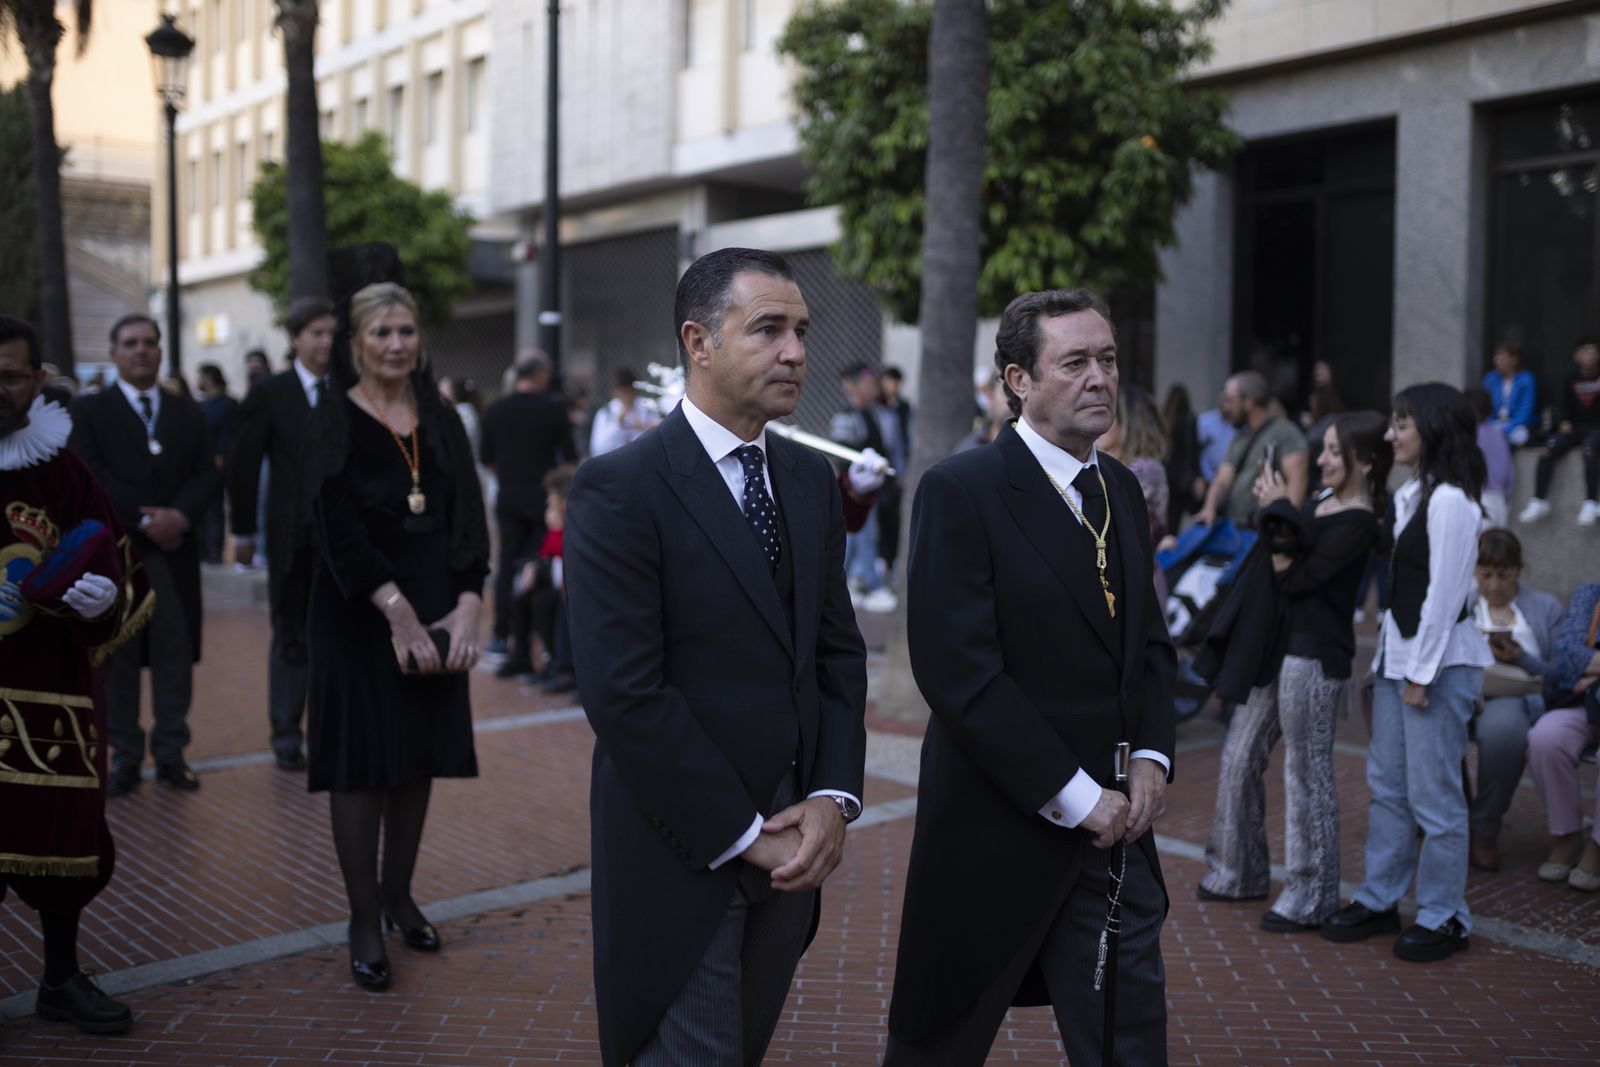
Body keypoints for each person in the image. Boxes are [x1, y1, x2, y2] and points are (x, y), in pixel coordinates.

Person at [564, 247, 868, 1067]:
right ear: (698, 341)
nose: (797, 351)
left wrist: (834, 797)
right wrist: (743, 834)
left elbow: (837, 656)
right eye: (768, 329)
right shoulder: (619, 488)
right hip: (679, 850)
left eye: (801, 331)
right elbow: (625, 693)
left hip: (793, 852)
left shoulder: (806, 480)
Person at [886, 288, 1176, 1065]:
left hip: (1115, 846)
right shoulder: (963, 489)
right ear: (1017, 379)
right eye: (1074, 362)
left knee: (1130, 1045)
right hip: (997, 832)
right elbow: (961, 675)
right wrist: (1082, 799)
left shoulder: (1119, 486)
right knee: (937, 1043)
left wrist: (1152, 754)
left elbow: (1147, 643)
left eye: (1107, 360)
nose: (1099, 378)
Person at [302, 280, 489, 992]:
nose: (395, 344)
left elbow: (468, 515)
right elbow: (334, 528)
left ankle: (399, 892)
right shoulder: (332, 420)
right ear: (356, 343)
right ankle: (360, 918)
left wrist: (468, 604)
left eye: (406, 331)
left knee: (415, 754)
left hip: (439, 605)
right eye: (381, 333)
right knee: (360, 764)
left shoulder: (441, 419)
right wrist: (396, 610)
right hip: (357, 613)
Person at [0, 315, 151, 1034]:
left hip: (49, 693)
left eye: (8, 375)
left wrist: (102, 596)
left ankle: (60, 978)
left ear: (38, 380)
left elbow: (112, 565)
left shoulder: (62, 468)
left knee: (63, 837)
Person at [1199, 411, 1390, 932]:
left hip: (1315, 657)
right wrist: (1281, 515)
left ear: (1366, 462)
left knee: (1306, 775)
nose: (1323, 459)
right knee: (1239, 755)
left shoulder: (1360, 517)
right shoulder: (1326, 503)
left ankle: (1312, 896)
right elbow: (1284, 556)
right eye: (1323, 448)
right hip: (1274, 650)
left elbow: (1301, 579)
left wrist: (1278, 509)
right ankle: (1236, 870)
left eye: (1334, 451)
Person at [1321, 383, 1491, 963]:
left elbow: (1444, 599)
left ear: (1433, 428)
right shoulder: (1415, 494)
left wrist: (1419, 674)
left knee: (1436, 798)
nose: (1392, 435)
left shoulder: (1452, 503)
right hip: (1402, 663)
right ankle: (1380, 898)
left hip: (1439, 669)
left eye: (1402, 424)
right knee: (1388, 789)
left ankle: (1445, 916)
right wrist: (1392, 665)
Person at [68, 314, 220, 796]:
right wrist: (143, 520)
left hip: (175, 558)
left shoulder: (186, 411)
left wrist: (179, 515)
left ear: (160, 351)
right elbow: (90, 474)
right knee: (120, 661)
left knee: (175, 657)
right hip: (118, 556)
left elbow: (206, 474)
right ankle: (126, 757)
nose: (141, 351)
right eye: (130, 343)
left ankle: (172, 753)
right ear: (113, 354)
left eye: (150, 343)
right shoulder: (90, 411)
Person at [227, 297, 337, 771]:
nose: (326, 343)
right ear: (295, 339)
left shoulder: (351, 390)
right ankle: (287, 732)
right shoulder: (270, 392)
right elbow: (244, 464)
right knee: (290, 630)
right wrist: (244, 530)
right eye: (316, 333)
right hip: (289, 534)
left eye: (333, 333)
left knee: (337, 633)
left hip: (343, 537)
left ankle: (332, 729)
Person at [1467, 528, 1563, 872]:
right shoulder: (1462, 605)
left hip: (1513, 696)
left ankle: (1484, 828)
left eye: (1503, 575)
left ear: (1518, 570)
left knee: (1505, 732)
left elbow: (1559, 673)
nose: (1494, 585)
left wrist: (1520, 657)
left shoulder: (1544, 608)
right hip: (1461, 691)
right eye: (1485, 575)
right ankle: (1438, 818)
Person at [479, 349, 576, 656]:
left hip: (508, 496)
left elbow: (486, 459)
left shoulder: (495, 410)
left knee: (507, 564)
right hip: (542, 499)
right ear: (538, 375)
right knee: (543, 563)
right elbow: (570, 458)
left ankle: (502, 634)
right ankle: (543, 638)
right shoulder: (552, 410)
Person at [1526, 582, 1600, 891]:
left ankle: (1597, 847)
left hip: (1591, 689)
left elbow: (1578, 660)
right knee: (1546, 737)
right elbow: (1566, 654)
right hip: (1586, 704)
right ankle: (1567, 835)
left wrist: (1591, 668)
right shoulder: (1590, 595)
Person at [1195, 371, 1309, 529]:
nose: (1226, 406)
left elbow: (1297, 485)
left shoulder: (1286, 433)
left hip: (1265, 532)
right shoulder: (1240, 437)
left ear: (1248, 402)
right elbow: (1222, 480)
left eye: (1230, 399)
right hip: (1238, 530)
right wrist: (1209, 508)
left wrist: (1283, 531)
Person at [501, 464, 577, 689]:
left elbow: (563, 557)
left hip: (569, 590)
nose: (547, 502)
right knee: (525, 598)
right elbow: (546, 556)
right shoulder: (556, 522)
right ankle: (525, 657)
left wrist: (555, 529)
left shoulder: (574, 523)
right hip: (558, 584)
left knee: (547, 602)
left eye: (551, 497)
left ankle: (565, 667)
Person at [829, 363, 896, 613]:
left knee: (859, 536)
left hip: (874, 486)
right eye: (868, 383)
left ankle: (851, 580)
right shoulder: (847, 416)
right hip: (856, 488)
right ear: (853, 386)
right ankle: (872, 584)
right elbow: (843, 454)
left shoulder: (874, 413)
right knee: (863, 534)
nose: (873, 387)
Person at [1098, 383, 1171, 605]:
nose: (1097, 424)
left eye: (1104, 414)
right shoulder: (1112, 465)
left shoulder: (1144, 469)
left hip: (1134, 588)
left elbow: (1111, 527)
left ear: (1127, 423)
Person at [1518, 338, 1600, 526]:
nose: (1590, 356)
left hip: (1597, 429)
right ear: (1577, 355)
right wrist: (1563, 421)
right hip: (1575, 427)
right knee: (1548, 449)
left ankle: (1591, 502)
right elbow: (1563, 406)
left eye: (1594, 351)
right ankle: (1539, 500)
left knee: (1590, 450)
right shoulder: (1570, 378)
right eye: (1586, 351)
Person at [194, 363, 238, 564]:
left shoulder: (227, 404)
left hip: (219, 464)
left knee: (215, 508)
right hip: (202, 464)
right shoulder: (203, 404)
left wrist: (221, 454)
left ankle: (214, 548)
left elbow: (229, 433)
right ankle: (203, 547)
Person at [877, 365, 912, 582]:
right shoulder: (876, 406)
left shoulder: (904, 408)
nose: (893, 386)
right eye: (890, 381)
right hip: (881, 467)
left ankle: (891, 559)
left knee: (894, 516)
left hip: (897, 469)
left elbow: (905, 441)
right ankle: (882, 559)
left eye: (896, 382)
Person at [1466, 386, 1515, 528]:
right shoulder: (1497, 432)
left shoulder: (1469, 435)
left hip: (1479, 500)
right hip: (1500, 501)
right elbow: (1510, 473)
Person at [588, 366, 662, 456]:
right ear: (615, 391)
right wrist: (618, 424)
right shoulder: (606, 413)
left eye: (629, 390)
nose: (626, 395)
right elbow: (597, 449)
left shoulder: (647, 407)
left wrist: (644, 426)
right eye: (622, 391)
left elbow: (660, 431)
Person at [1161, 384, 1201, 534]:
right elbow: (1192, 451)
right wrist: (1196, 474)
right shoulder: (1189, 420)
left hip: (1168, 474)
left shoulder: (1164, 419)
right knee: (1193, 517)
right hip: (1183, 476)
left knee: (1171, 520)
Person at [1483, 341, 1537, 447]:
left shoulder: (1526, 380)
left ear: (1513, 360)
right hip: (1494, 423)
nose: (1496, 360)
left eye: (1502, 357)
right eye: (1496, 356)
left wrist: (1506, 429)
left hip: (1517, 425)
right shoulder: (1490, 378)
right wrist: (1490, 426)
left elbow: (1525, 412)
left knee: (1519, 436)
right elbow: (1485, 406)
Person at [1195, 386, 1237, 485]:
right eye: (1223, 401)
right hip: (1209, 478)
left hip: (1233, 478)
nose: (1226, 406)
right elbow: (1196, 450)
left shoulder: (1239, 423)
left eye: (1228, 402)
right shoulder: (1205, 421)